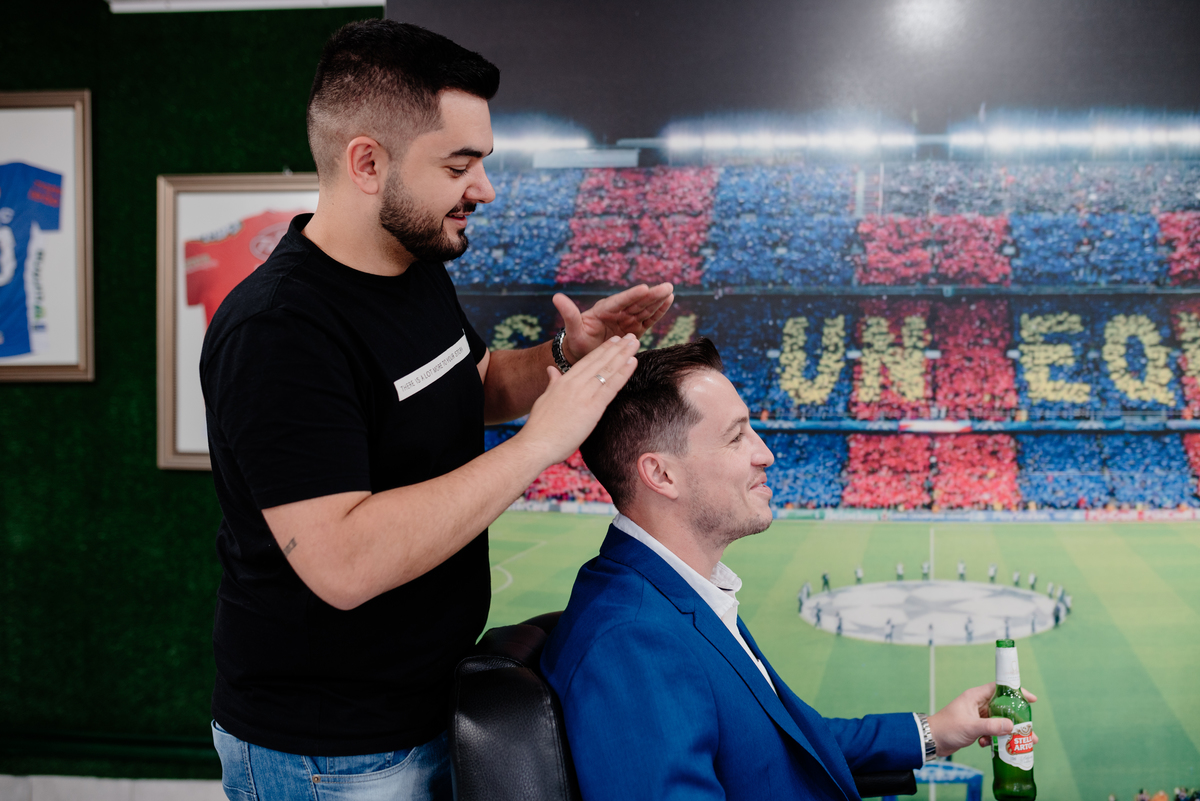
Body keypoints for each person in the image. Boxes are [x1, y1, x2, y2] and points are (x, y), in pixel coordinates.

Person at [202, 20, 674, 801]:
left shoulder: (413, 265)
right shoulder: (279, 329)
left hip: (432, 704)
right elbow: (344, 563)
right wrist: (536, 447)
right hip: (333, 753)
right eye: (459, 165)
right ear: (366, 163)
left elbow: (474, 383)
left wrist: (566, 352)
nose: (483, 189)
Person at [542, 340, 1036, 801]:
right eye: (736, 436)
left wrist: (934, 731)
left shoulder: (673, 593)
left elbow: (776, 746)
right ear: (661, 474)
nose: (766, 453)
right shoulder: (633, 641)